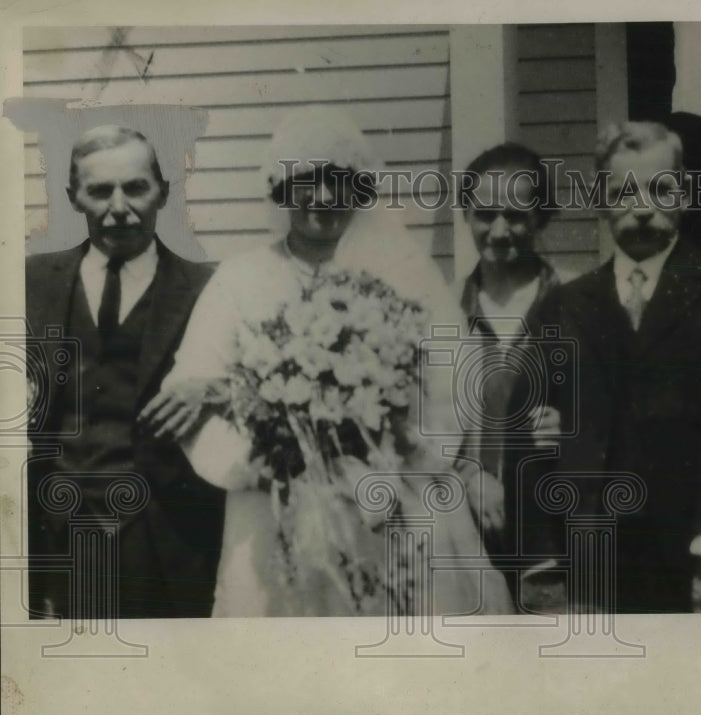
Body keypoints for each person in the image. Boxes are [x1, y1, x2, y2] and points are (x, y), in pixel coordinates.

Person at [154, 106, 513, 616]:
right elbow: (196, 383)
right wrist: (274, 459)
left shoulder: (400, 271)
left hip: (390, 497)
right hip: (278, 498)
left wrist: (388, 449)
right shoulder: (240, 278)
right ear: (282, 190)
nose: (324, 198)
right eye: (307, 182)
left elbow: (452, 373)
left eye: (339, 182)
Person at [520, 121, 701, 613]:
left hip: (694, 559)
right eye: (623, 192)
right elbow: (531, 437)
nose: (641, 208)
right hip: (595, 564)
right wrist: (543, 561)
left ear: (687, 195)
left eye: (660, 189)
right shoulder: (565, 306)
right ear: (600, 199)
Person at [25, 124, 225, 619]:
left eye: (135, 187)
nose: (118, 206)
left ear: (164, 193)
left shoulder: (211, 289)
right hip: (58, 542)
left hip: (170, 545)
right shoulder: (28, 282)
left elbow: (257, 383)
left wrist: (217, 389)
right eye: (99, 191)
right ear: (73, 198)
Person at [455, 142, 561, 600]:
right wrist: (468, 474)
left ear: (541, 217)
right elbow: (414, 430)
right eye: (484, 215)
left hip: (556, 547)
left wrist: (573, 430)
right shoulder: (441, 312)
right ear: (465, 217)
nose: (499, 231)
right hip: (465, 540)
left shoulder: (578, 306)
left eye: (515, 215)